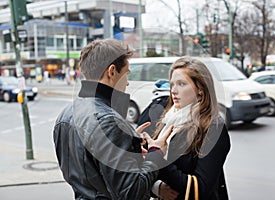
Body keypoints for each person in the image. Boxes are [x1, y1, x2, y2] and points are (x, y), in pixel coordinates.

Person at [53, 38, 172, 200]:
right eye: (126, 74)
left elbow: (89, 173)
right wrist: (155, 152)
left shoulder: (66, 114)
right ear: (112, 71)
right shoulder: (109, 121)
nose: (128, 82)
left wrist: (131, 146)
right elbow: (131, 192)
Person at [144, 56, 231, 200]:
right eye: (172, 84)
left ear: (200, 89)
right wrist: (157, 188)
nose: (174, 90)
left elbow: (200, 188)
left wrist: (156, 156)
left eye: (181, 84)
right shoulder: (169, 118)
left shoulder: (213, 128)